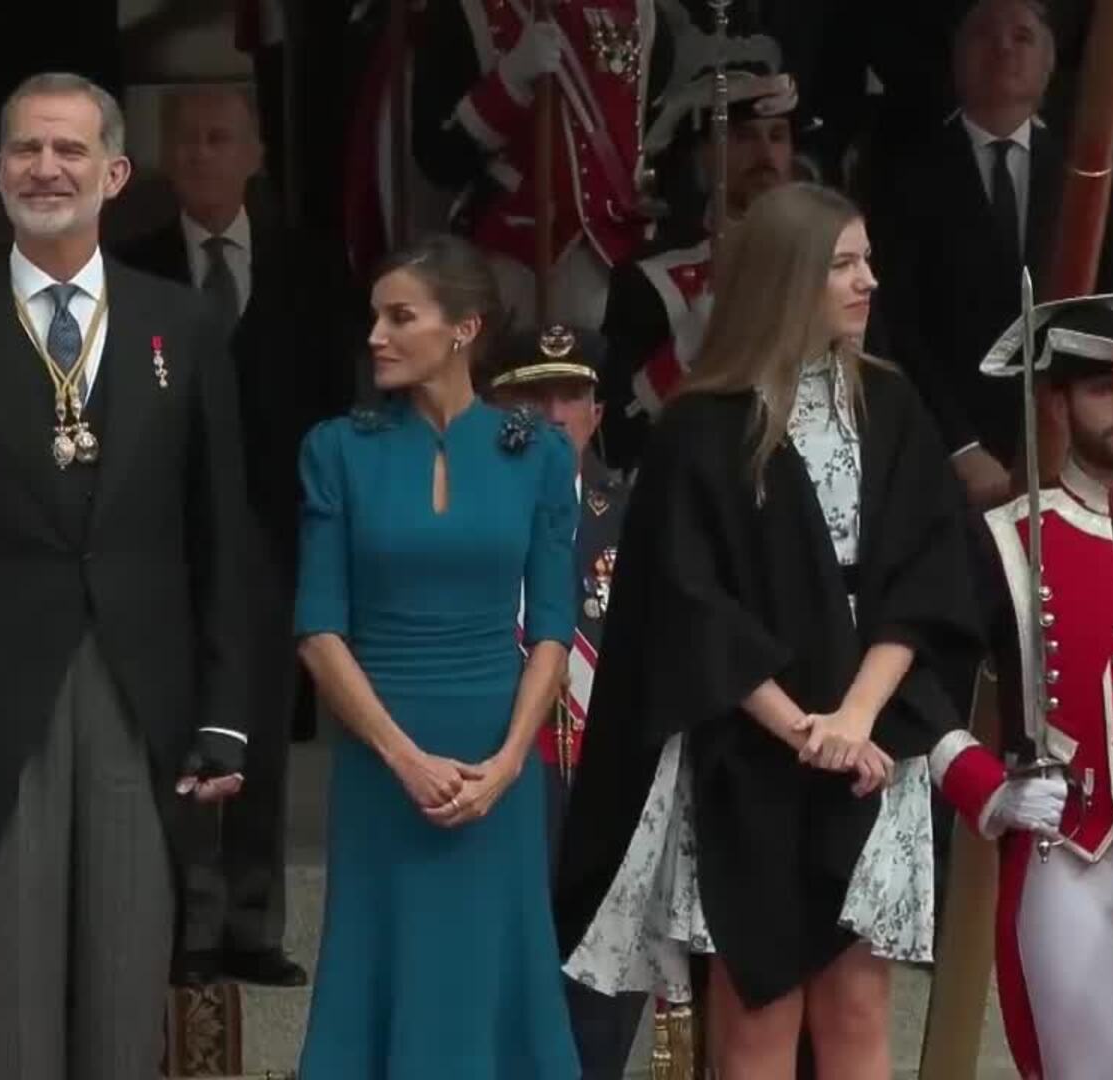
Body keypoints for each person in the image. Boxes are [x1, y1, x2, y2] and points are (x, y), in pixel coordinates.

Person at [0, 73, 251, 1080]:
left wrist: (228, 713)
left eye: (71, 149)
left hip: (143, 701)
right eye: (27, 149)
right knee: (11, 1013)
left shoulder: (183, 324)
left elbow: (223, 537)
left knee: (126, 1008)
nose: (47, 168)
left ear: (115, 174)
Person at [554, 183, 982, 1077]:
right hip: (747, 751)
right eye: (845, 264)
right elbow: (688, 603)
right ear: (789, 279)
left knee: (857, 1007)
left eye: (868, 260)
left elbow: (926, 575)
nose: (869, 281)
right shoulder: (700, 427)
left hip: (872, 743)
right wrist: (800, 729)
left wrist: (854, 720)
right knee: (757, 1010)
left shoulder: (892, 405)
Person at [293, 234, 579, 1078]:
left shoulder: (538, 454)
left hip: (498, 763)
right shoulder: (337, 450)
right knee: (380, 964)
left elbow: (552, 629)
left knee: (493, 971)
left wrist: (509, 762)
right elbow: (318, 631)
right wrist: (403, 758)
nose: (376, 336)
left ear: (464, 329)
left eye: (399, 317)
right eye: (374, 317)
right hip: (383, 759)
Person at [120, 84, 351, 990]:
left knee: (258, 728)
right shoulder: (131, 266)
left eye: (222, 138)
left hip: (272, 537)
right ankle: (187, 920)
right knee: (179, 727)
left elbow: (335, 404)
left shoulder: (310, 266)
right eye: (189, 140)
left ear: (255, 155)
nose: (204, 154)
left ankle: (254, 921)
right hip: (163, 538)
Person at [929, 292, 1113, 1080]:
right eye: (1102, 387)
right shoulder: (1007, 537)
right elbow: (916, 677)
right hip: (1069, 858)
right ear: (1056, 402)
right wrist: (986, 785)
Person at [870, 0, 1113, 509]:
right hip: (946, 464)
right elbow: (894, 326)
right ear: (957, 58)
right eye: (984, 35)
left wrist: (1087, 426)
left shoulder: (1088, 172)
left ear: (1048, 63)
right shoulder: (903, 178)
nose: (1003, 48)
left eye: (1022, 37)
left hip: (1071, 453)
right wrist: (960, 447)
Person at [483, 329, 649, 1080]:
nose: (554, 414)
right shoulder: (465, 510)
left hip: (602, 779)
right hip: (498, 773)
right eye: (535, 396)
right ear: (499, 409)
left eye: (572, 396)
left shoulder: (636, 517)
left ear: (598, 412)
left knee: (596, 998)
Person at [598, 52, 804, 473]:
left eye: (778, 136)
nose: (766, 153)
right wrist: (682, 352)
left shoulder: (833, 263)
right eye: (743, 136)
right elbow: (613, 440)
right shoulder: (651, 278)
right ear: (704, 154)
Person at [411, 1, 652, 332]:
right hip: (509, 258)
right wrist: (509, 81)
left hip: (611, 260)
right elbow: (438, 159)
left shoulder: (637, 9)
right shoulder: (466, 13)